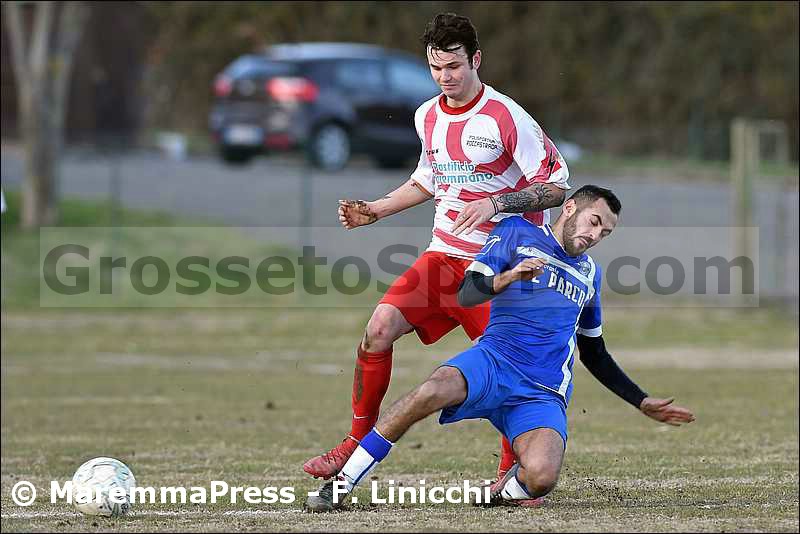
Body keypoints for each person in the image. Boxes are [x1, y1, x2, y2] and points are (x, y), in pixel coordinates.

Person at [305, 185, 696, 511]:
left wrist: (640, 400)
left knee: (541, 478)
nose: (595, 236)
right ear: (570, 208)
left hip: (542, 392)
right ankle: (342, 484)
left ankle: (499, 494)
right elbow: (468, 292)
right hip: (492, 362)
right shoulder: (516, 233)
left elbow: (594, 352)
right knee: (428, 392)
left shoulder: (590, 274)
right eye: (594, 222)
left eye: (605, 233)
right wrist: (508, 277)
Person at [303, 12, 572, 486]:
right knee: (378, 330)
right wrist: (376, 209)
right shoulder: (426, 115)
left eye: (454, 66)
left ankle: (510, 471)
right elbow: (429, 179)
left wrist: (496, 202)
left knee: (507, 367)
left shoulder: (506, 116)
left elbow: (556, 188)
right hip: (443, 256)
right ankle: (355, 444)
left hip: (499, 267)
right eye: (436, 67)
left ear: (476, 60)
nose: (445, 77)